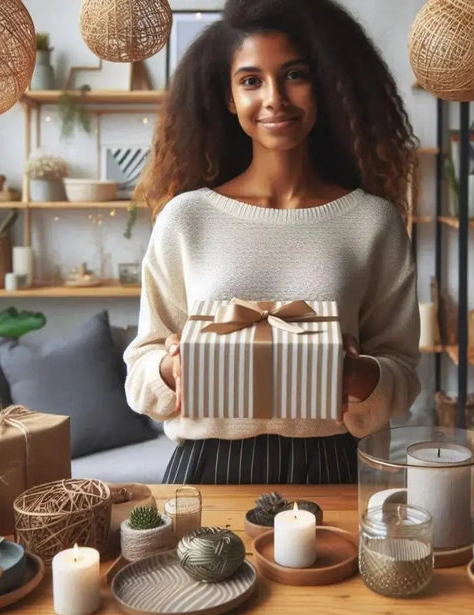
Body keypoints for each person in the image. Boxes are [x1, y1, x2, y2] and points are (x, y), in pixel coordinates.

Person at [123, 0, 420, 484]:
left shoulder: (372, 222)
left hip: (336, 463)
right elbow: (141, 364)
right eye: (251, 80)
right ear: (228, 97)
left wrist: (359, 377)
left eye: (294, 75)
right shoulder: (186, 218)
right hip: (208, 465)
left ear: (324, 83)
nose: (275, 98)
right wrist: (172, 369)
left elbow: (404, 369)